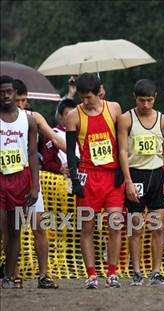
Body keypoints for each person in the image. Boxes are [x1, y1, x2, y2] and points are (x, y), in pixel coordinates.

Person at [65, 73, 125, 288]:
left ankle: (112, 272)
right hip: (88, 177)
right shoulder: (73, 116)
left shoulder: (114, 108)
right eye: (82, 97)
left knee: (115, 225)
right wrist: (75, 179)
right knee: (87, 228)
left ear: (99, 91)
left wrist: (120, 168)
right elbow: (71, 152)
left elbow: (122, 141)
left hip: (111, 176)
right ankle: (91, 274)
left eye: (89, 97)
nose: (85, 101)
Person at [118, 79, 164, 286]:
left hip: (157, 175)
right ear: (135, 98)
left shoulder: (163, 119)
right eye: (142, 101)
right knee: (136, 228)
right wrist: (128, 181)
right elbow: (122, 151)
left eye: (150, 100)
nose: (146, 105)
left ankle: (156, 271)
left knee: (157, 228)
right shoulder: (126, 119)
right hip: (136, 175)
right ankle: (137, 272)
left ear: (155, 97)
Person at [12, 79, 59, 288]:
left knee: (39, 227)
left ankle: (44, 275)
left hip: (31, 179)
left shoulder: (34, 117)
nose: (22, 105)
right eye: (18, 100)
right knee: (11, 230)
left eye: (24, 100)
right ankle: (11, 275)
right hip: (7, 179)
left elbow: (55, 139)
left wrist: (78, 156)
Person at [0, 75, 38, 288]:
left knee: (15, 230)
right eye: (2, 92)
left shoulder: (28, 120)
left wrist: (35, 186)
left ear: (15, 93)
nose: (6, 95)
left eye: (9, 91)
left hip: (20, 178)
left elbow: (33, 155)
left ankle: (8, 274)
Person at [42, 98, 78, 174]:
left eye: (73, 114)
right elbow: (47, 162)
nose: (71, 117)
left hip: (84, 178)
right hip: (63, 181)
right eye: (67, 114)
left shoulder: (81, 132)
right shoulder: (52, 134)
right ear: (60, 115)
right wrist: (59, 167)